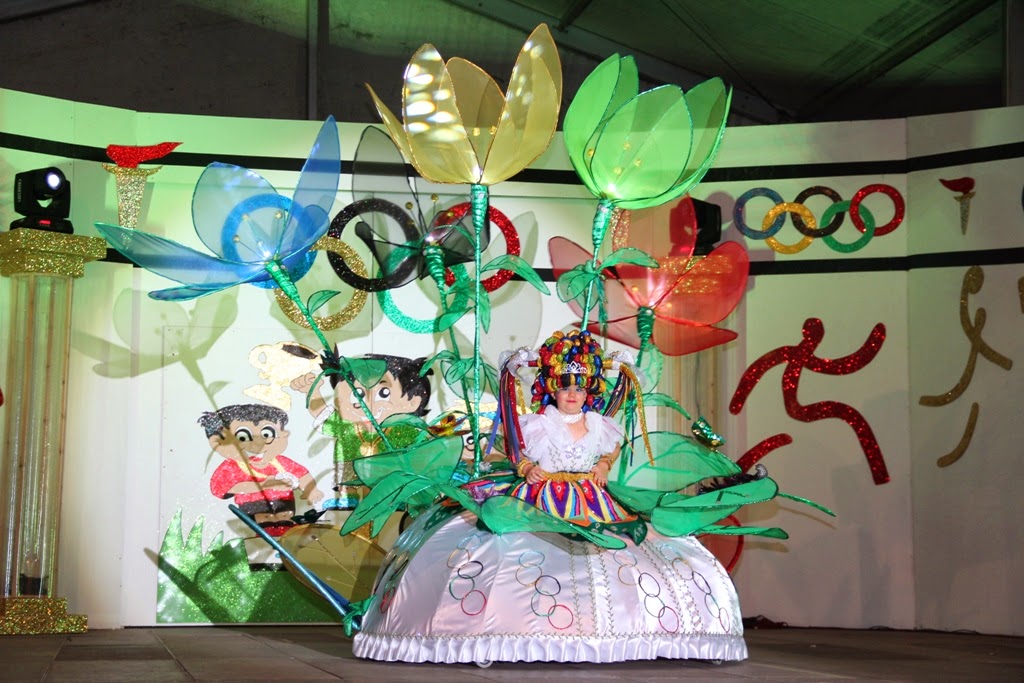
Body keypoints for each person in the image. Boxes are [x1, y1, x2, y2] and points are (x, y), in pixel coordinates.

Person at [509, 330, 636, 524]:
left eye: (579, 389)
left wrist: (603, 466)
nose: (572, 394)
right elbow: (516, 447)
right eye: (564, 389)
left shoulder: (596, 423)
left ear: (586, 395)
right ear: (553, 393)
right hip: (544, 494)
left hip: (588, 496)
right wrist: (526, 468)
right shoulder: (541, 423)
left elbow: (614, 447)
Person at [198, 404, 324, 537]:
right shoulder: (231, 467)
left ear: (283, 435)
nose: (258, 442)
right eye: (243, 437)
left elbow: (301, 474)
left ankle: (286, 537)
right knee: (265, 521)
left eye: (267, 434)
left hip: (285, 502)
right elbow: (222, 488)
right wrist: (263, 485)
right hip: (254, 505)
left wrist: (311, 490)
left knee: (286, 520)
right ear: (217, 442)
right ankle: (265, 539)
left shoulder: (280, 462)